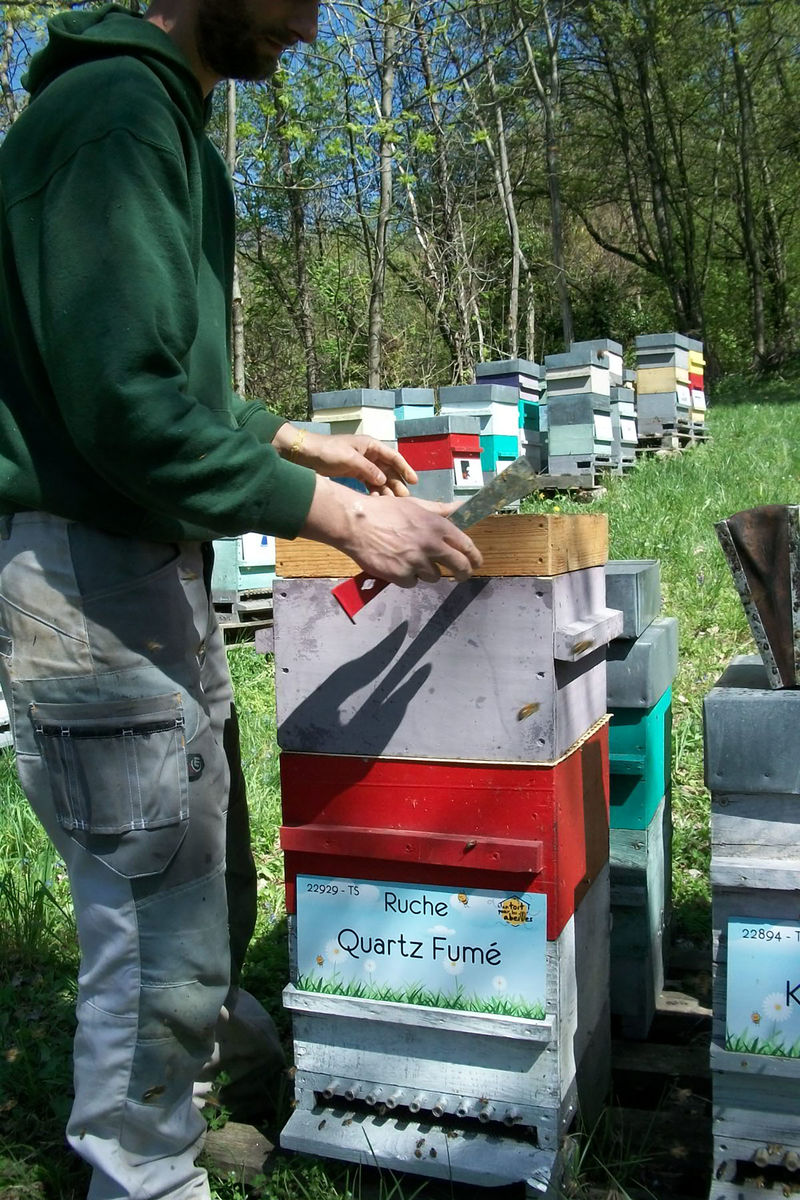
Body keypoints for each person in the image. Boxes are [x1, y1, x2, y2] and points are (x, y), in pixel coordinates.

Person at [0, 2, 482, 1197]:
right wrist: (347, 520)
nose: (311, 28)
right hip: (87, 578)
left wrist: (288, 440)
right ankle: (142, 1173)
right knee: (151, 909)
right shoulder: (116, 119)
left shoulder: (153, 114)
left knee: (204, 870)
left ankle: (188, 1101)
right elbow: (121, 411)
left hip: (143, 564)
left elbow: (140, 376)